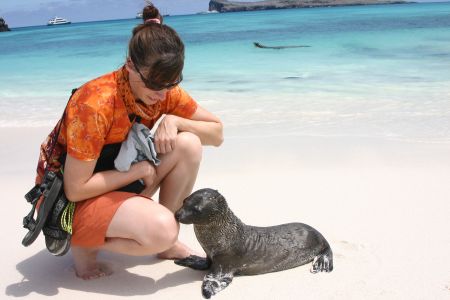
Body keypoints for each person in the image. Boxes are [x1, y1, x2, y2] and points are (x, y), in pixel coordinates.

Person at [34, 4, 223, 280]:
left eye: (171, 84)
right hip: (67, 201)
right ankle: (84, 244)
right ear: (131, 65)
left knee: (189, 144)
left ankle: (163, 244)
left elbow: (217, 133)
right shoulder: (96, 102)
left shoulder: (163, 87)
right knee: (164, 229)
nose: (162, 95)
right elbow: (75, 189)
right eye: (155, 86)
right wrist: (138, 171)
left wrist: (176, 121)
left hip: (117, 178)